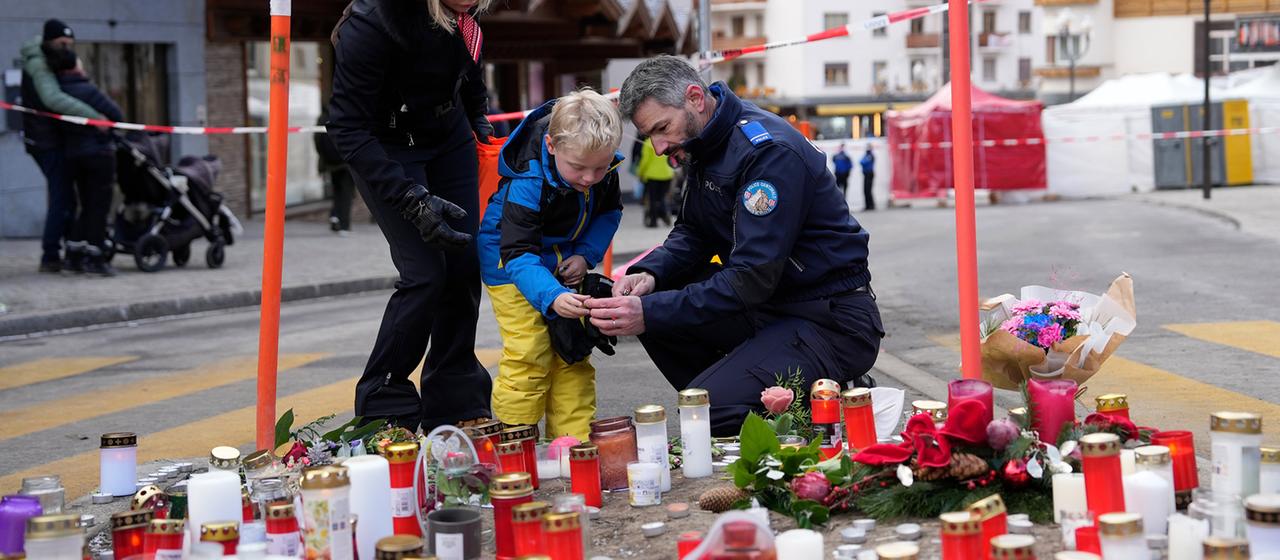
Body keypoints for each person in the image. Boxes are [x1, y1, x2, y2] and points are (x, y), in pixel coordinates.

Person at [588, 56, 884, 436]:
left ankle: (835, 400)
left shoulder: (767, 152)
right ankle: (739, 387)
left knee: (708, 412)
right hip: (774, 308)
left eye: (663, 129)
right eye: (651, 137)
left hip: (829, 320)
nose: (659, 148)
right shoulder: (705, 143)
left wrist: (648, 310)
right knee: (659, 300)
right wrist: (648, 273)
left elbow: (750, 278)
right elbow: (693, 232)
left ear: (695, 98)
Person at [328, 0, 496, 432]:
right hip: (385, 146)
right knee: (425, 274)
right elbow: (347, 129)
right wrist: (409, 197)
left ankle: (456, 401)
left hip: (448, 135)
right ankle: (384, 406)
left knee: (462, 265)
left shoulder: (464, 13)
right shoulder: (368, 27)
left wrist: (477, 113)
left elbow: (468, 66)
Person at [477, 89, 624, 441]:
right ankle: (518, 439)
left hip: (561, 263)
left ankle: (572, 444)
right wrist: (552, 296)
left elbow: (609, 212)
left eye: (599, 168)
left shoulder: (603, 167)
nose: (589, 178)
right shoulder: (527, 182)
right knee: (531, 352)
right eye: (578, 168)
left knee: (571, 352)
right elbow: (517, 253)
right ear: (552, 145)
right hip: (511, 267)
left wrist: (585, 255)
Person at [19, 19, 105, 273]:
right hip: (46, 141)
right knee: (62, 198)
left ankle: (70, 250)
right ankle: (51, 255)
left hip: (54, 140)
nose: (67, 49)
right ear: (49, 41)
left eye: (70, 44)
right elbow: (53, 98)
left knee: (67, 198)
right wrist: (94, 117)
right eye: (62, 43)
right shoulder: (39, 63)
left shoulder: (49, 59)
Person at [48, 48, 121, 276]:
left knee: (84, 205)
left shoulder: (57, 94)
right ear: (74, 67)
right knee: (98, 206)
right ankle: (96, 257)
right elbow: (116, 114)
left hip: (72, 156)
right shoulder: (87, 90)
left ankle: (74, 255)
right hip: (98, 155)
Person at [314, 108, 354, 235]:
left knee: (337, 190)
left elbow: (317, 139)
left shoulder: (324, 116)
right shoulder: (346, 112)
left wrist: (324, 158)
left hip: (331, 163)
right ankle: (344, 225)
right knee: (346, 193)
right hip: (346, 161)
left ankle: (335, 216)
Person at [636, 136, 673, 228]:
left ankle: (653, 221)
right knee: (662, 197)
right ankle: (664, 214)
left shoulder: (648, 143)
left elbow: (645, 161)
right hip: (667, 174)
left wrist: (640, 173)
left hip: (652, 175)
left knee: (652, 199)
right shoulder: (667, 141)